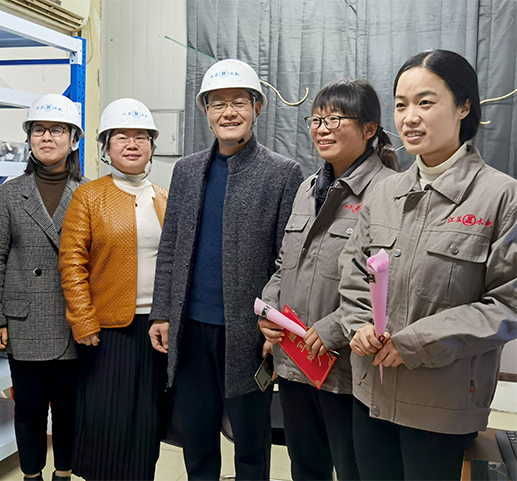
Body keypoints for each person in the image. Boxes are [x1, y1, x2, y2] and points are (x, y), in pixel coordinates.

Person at [335, 50, 517, 480]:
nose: (410, 117)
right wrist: (359, 325)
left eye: (425, 102)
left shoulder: (500, 196)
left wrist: (416, 343)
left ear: (464, 106)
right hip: (371, 392)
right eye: (401, 105)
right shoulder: (384, 192)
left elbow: (506, 305)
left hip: (442, 404)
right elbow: (355, 272)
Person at [148, 58, 303, 480]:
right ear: (206, 111)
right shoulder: (186, 170)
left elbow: (287, 260)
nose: (228, 112)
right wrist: (162, 312)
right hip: (191, 330)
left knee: (251, 443)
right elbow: (170, 248)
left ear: (257, 107)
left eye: (239, 102)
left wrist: (278, 330)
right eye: (218, 104)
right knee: (197, 442)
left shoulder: (282, 173)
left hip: (249, 334)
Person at [258, 78, 399, 481]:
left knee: (354, 470)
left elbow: (390, 281)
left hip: (348, 369)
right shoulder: (308, 188)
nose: (322, 129)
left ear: (369, 129)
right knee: (305, 468)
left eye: (335, 119)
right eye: (316, 120)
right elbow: (285, 261)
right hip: (296, 360)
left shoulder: (388, 190)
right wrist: (270, 309)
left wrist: (334, 328)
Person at [0, 93, 88, 481]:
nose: (47, 137)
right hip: (23, 321)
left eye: (57, 130)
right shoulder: (9, 194)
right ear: (29, 138)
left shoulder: (89, 192)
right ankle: (31, 475)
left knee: (70, 408)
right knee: (28, 410)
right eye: (39, 129)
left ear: (73, 140)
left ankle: (64, 473)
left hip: (73, 320)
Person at [58, 98, 168, 481]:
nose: (132, 144)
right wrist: (83, 319)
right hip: (105, 330)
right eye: (121, 136)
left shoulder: (164, 197)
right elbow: (71, 263)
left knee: (147, 422)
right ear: (106, 146)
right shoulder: (88, 197)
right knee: (105, 420)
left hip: (156, 327)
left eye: (141, 137)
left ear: (152, 146)